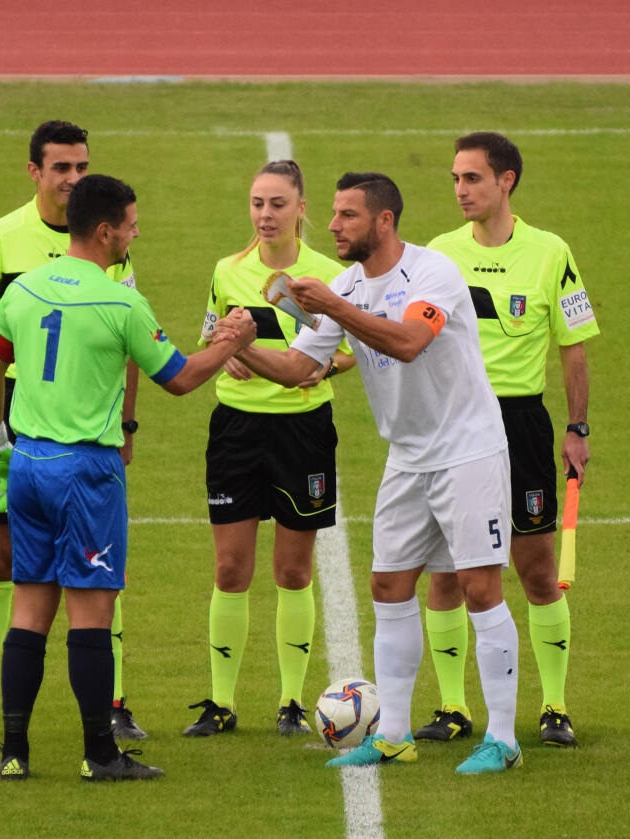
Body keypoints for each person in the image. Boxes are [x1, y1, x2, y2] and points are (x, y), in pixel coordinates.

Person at [236, 172, 523, 774]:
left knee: (479, 589)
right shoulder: (343, 286)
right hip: (408, 457)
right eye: (335, 215)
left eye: (347, 216)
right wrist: (237, 348)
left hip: (467, 451)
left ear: (384, 221)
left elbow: (410, 341)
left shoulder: (433, 272)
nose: (333, 226)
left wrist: (336, 306)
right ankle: (392, 734)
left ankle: (503, 739)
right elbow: (298, 369)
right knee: (389, 587)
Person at [0, 173, 257, 781]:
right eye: (131, 224)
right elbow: (179, 376)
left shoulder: (24, 290)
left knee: (28, 609)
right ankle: (100, 753)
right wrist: (231, 338)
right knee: (92, 617)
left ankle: (14, 753)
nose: (136, 232)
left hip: (27, 465)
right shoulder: (119, 300)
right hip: (86, 472)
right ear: (105, 232)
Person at [0, 120, 147, 744]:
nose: (73, 178)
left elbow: (128, 343)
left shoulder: (113, 240)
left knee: (97, 569)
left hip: (87, 420)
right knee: (0, 557)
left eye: (81, 166)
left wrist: (127, 425)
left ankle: (112, 702)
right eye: (61, 167)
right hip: (13, 417)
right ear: (35, 172)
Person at [418, 132, 599, 747]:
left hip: (520, 424)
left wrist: (577, 428)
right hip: (451, 424)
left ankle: (553, 705)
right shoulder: (438, 253)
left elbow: (573, 346)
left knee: (536, 568)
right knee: (446, 570)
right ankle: (451, 706)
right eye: (455, 179)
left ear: (506, 182)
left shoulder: (550, 252)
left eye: (472, 178)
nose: (461, 190)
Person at [184, 160, 356, 738]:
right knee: (231, 568)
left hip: (302, 432)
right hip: (237, 429)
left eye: (277, 204)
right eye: (257, 203)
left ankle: (290, 701)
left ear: (301, 208)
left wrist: (325, 364)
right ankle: (220, 702)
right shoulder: (226, 271)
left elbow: (360, 346)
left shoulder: (330, 276)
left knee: (292, 570)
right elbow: (208, 336)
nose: (265, 214)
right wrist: (222, 353)